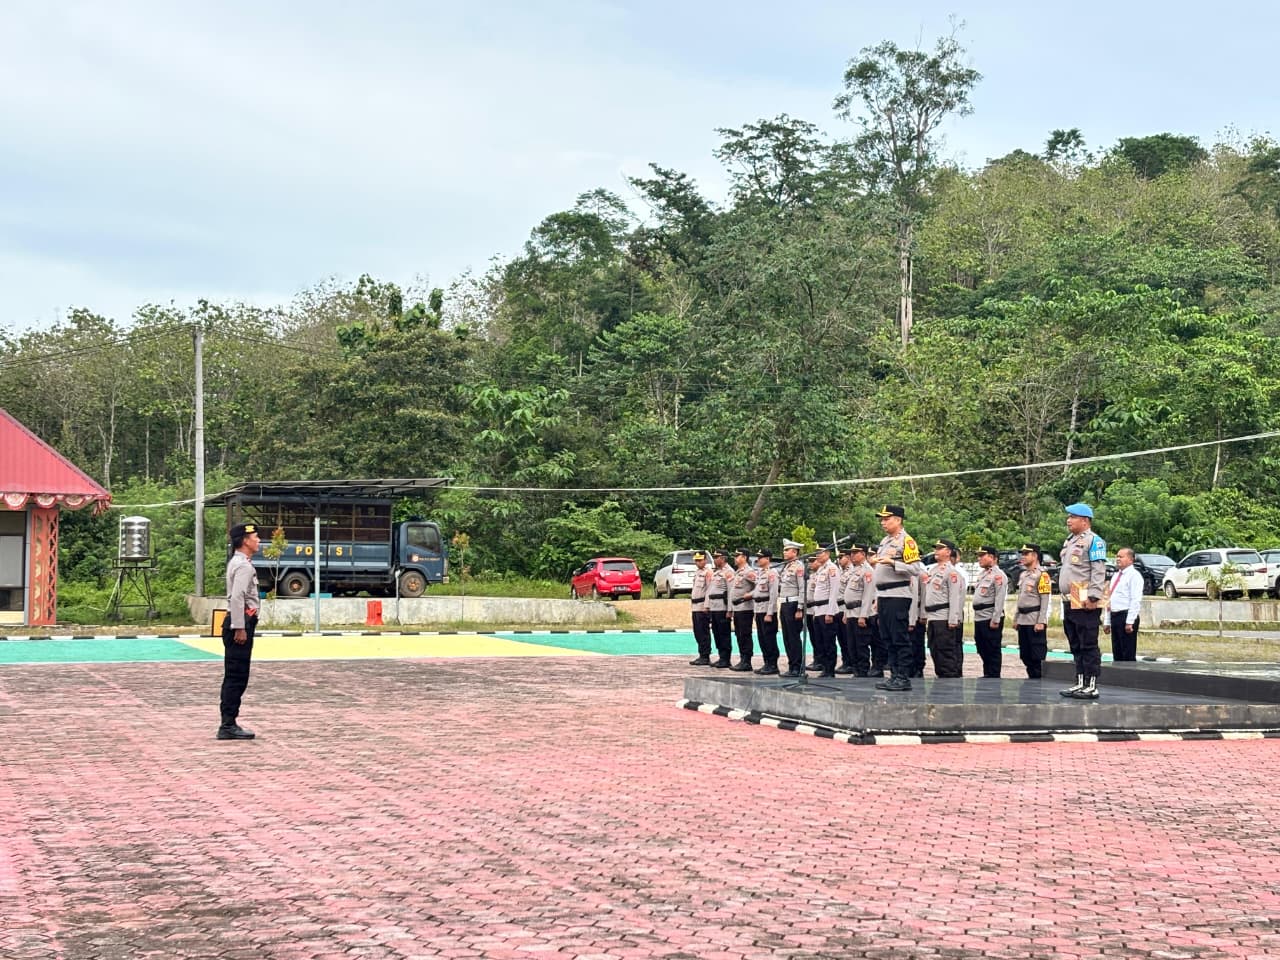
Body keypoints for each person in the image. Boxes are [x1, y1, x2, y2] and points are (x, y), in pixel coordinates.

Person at [871, 505, 926, 692]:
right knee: (887, 638)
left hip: (897, 595)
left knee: (899, 637)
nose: (883, 522)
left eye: (887, 519)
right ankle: (894, 675)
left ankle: (903, 677)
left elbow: (916, 569)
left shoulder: (907, 541)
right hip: (884, 595)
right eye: (882, 519)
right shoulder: (885, 541)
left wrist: (893, 562)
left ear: (898, 520)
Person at [1059, 503, 1108, 699]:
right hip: (1070, 597)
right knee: (1075, 642)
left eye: (1073, 517)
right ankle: (1080, 681)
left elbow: (1098, 570)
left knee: (1088, 642)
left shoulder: (1094, 541)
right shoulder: (1070, 541)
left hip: (1085, 597)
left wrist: (1094, 596)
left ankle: (1092, 684)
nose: (1068, 520)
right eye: (1069, 517)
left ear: (1085, 520)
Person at [218, 522, 261, 740]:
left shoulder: (238, 562)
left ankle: (229, 722)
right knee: (237, 676)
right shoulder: (243, 566)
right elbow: (237, 597)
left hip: (239, 622)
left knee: (236, 675)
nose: (258, 540)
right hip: (240, 624)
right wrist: (240, 627)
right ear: (245, 541)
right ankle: (228, 725)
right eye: (255, 537)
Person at [919, 539, 966, 678]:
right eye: (936, 548)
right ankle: (941, 676)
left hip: (943, 617)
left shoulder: (952, 572)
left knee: (946, 651)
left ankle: (949, 679)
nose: (936, 551)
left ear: (948, 552)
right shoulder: (933, 570)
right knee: (935, 650)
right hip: (933, 616)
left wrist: (953, 619)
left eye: (940, 548)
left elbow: (955, 597)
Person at [1014, 544, 1052, 678]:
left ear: (1035, 556)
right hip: (1023, 619)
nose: (1023, 557)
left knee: (1037, 654)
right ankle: (1031, 678)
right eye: (1022, 554)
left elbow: (1045, 600)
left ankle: (1038, 679)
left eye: (1026, 554)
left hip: (1034, 619)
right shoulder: (1023, 575)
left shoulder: (1042, 575)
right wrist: (1016, 618)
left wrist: (1041, 621)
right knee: (1025, 653)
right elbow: (1021, 598)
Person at [970, 545, 1008, 678]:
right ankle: (987, 673)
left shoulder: (999, 575)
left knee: (992, 648)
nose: (979, 558)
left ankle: (993, 675)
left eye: (982, 555)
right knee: (982, 646)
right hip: (980, 616)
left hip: (989, 616)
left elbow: (1000, 598)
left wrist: (996, 619)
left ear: (992, 557)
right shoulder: (983, 574)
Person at [808, 544, 841, 677]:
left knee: (828, 642)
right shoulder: (821, 569)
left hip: (827, 609)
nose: (817, 555)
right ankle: (824, 667)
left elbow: (834, 591)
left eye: (820, 552)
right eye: (816, 553)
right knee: (820, 641)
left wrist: (830, 612)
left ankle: (830, 669)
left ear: (827, 554)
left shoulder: (832, 568)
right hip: (818, 609)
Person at [842, 543, 875, 676]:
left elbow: (868, 595)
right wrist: (846, 613)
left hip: (860, 612)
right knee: (852, 644)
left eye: (855, 553)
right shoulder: (854, 570)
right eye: (851, 553)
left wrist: (863, 615)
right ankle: (856, 670)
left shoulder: (868, 571)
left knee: (861, 645)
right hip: (851, 612)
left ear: (863, 554)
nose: (852, 555)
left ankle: (862, 671)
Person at [1105, 547, 1143, 662]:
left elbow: (1135, 600)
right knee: (1117, 651)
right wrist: (1107, 621)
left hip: (1125, 616)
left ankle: (1129, 672)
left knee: (1128, 652)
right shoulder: (1116, 575)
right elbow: (1110, 599)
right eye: (1117, 556)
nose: (1118, 559)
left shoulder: (1134, 576)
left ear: (1131, 559)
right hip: (1115, 615)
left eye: (1121, 557)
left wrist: (1130, 621)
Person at [777, 539, 806, 677]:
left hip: (793, 604)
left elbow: (802, 588)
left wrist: (800, 608)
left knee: (794, 637)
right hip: (784, 603)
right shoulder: (786, 567)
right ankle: (791, 665)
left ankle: (797, 667)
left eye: (787, 550)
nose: (784, 552)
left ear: (794, 552)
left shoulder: (798, 567)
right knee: (787, 637)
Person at [752, 549, 781, 675]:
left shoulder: (772, 573)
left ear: (767, 559)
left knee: (769, 639)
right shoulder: (760, 573)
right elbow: (757, 593)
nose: (758, 560)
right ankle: (766, 662)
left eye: (761, 557)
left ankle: (773, 664)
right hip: (759, 609)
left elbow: (773, 594)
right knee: (762, 638)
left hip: (767, 610)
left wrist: (770, 613)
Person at [728, 548, 757, 671]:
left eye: (737, 556)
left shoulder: (749, 572)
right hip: (737, 608)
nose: (735, 558)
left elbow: (759, 586)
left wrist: (750, 595)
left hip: (745, 608)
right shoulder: (738, 572)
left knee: (745, 634)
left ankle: (746, 661)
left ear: (744, 557)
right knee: (739, 634)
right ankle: (742, 659)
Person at [707, 550, 734, 668]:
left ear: (723, 558)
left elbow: (731, 592)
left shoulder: (729, 572)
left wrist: (730, 610)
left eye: (716, 557)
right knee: (716, 633)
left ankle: (726, 658)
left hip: (723, 608)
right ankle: (721, 656)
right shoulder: (717, 572)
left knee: (724, 634)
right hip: (714, 607)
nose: (714, 559)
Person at [688, 551, 713, 666]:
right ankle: (701, 654)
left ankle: (705, 655)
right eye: (696, 560)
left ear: (705, 560)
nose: (697, 562)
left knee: (703, 632)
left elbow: (709, 590)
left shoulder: (708, 573)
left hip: (702, 606)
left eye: (700, 560)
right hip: (695, 606)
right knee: (697, 631)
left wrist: (707, 606)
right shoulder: (697, 572)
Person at [835, 547, 857, 673]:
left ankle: (850, 663)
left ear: (848, 558)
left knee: (847, 638)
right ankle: (845, 661)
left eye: (841, 557)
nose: (839, 560)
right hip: (838, 607)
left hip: (845, 607)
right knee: (841, 638)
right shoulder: (842, 571)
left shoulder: (852, 571)